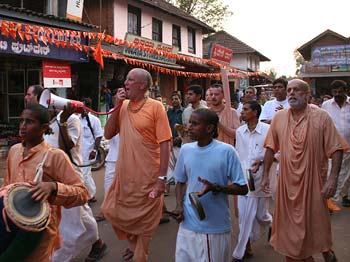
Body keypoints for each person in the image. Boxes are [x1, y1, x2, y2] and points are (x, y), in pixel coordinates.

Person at [261, 79, 348, 262]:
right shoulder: (279, 118)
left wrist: (332, 180)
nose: (291, 93)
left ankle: (325, 251)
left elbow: (337, 148)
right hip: (286, 185)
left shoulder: (321, 117)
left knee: (316, 226)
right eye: (289, 90)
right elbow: (270, 147)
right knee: (289, 233)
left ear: (307, 95)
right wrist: (265, 176)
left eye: (297, 90)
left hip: (314, 183)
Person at [102, 68, 172, 262]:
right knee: (110, 209)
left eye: (130, 80)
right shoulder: (122, 106)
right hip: (125, 174)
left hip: (148, 176)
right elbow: (108, 134)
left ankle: (140, 255)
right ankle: (134, 244)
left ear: (142, 85)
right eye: (126, 79)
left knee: (146, 221)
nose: (126, 83)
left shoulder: (156, 107)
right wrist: (117, 105)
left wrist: (161, 179)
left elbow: (165, 143)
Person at [4, 104, 89, 261]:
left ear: (44, 127)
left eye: (29, 122)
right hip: (12, 227)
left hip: (40, 232)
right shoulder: (14, 151)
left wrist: (54, 187)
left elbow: (82, 193)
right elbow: (8, 187)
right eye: (21, 121)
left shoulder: (55, 156)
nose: (23, 126)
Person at [172, 108, 248, 262]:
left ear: (209, 128)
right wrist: (179, 206)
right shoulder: (186, 150)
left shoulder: (227, 151)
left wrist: (216, 188)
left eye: (195, 124)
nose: (189, 128)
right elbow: (180, 182)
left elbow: (242, 188)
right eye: (189, 123)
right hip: (186, 227)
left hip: (213, 229)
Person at [44, 104, 106, 262]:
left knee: (70, 218)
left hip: (70, 174)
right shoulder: (47, 121)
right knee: (80, 214)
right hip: (53, 176)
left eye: (30, 95)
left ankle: (61, 254)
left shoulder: (71, 120)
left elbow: (66, 147)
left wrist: (63, 122)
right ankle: (97, 242)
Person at [232, 101, 272, 262]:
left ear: (255, 112)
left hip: (261, 179)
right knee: (244, 216)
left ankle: (272, 224)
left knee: (261, 215)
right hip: (243, 179)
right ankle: (242, 251)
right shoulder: (240, 132)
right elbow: (239, 155)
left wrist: (262, 163)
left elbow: (277, 152)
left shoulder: (268, 130)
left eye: (246, 110)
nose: (242, 112)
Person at [322, 80, 350, 208]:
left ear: (345, 91)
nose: (337, 94)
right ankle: (329, 201)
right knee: (333, 173)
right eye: (335, 92)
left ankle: (345, 197)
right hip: (333, 147)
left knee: (347, 174)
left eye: (340, 91)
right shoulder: (326, 105)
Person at [79, 97, 103, 202]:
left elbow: (98, 136)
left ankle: (88, 195)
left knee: (84, 174)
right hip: (77, 152)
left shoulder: (95, 120)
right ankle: (90, 194)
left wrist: (94, 150)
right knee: (85, 174)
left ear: (89, 108)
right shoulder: (76, 119)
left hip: (88, 152)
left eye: (84, 107)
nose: (83, 110)